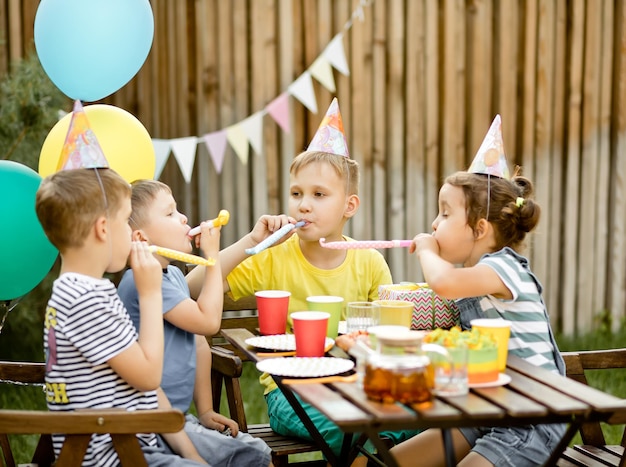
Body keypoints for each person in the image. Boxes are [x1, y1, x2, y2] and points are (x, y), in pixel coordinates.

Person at [224, 98, 420, 465]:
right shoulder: (273, 256)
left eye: (318, 195)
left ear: (349, 205)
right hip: (290, 392)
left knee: (418, 423)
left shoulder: (370, 262)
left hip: (355, 387)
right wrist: (251, 242)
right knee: (363, 432)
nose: (303, 205)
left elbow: (383, 343)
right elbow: (191, 287)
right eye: (297, 193)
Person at [391, 117, 566, 467]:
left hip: (533, 420)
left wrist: (427, 250)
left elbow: (443, 283)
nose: (434, 224)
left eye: (444, 213)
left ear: (479, 229)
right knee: (390, 460)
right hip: (490, 411)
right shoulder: (476, 276)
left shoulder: (503, 269)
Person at [35, 167, 207, 466]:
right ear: (103, 229)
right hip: (117, 454)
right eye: (124, 221)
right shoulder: (89, 299)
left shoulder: (70, 291)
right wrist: (151, 293)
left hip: (125, 444)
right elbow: (149, 377)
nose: (131, 233)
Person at [117, 179, 274, 467]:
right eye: (170, 213)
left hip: (177, 418)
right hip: (149, 425)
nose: (183, 218)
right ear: (141, 239)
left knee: (255, 452)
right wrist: (211, 257)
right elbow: (208, 321)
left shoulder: (173, 277)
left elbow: (200, 343)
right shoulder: (141, 283)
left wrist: (205, 410)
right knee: (253, 456)